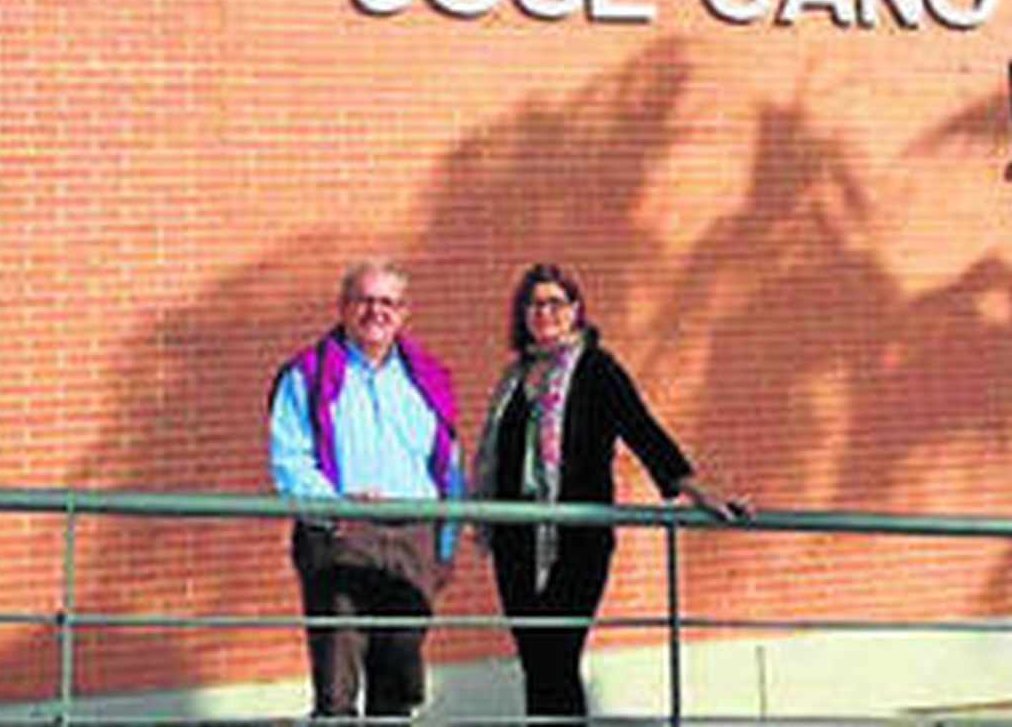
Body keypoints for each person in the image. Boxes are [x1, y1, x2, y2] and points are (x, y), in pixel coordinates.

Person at [472, 262, 748, 722]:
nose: (544, 312)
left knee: (557, 656)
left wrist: (697, 489)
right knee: (535, 661)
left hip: (577, 540)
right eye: (534, 304)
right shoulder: (514, 377)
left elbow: (642, 430)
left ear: (576, 310)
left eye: (555, 303)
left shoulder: (598, 370)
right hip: (516, 540)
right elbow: (494, 458)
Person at [269, 259, 462, 722]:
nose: (377, 312)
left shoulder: (429, 377)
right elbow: (289, 458)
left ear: (404, 313)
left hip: (414, 537)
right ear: (343, 307)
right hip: (340, 536)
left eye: (389, 303)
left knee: (400, 678)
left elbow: (448, 465)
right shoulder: (307, 374)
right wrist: (336, 507)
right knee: (337, 683)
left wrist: (446, 542)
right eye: (365, 300)